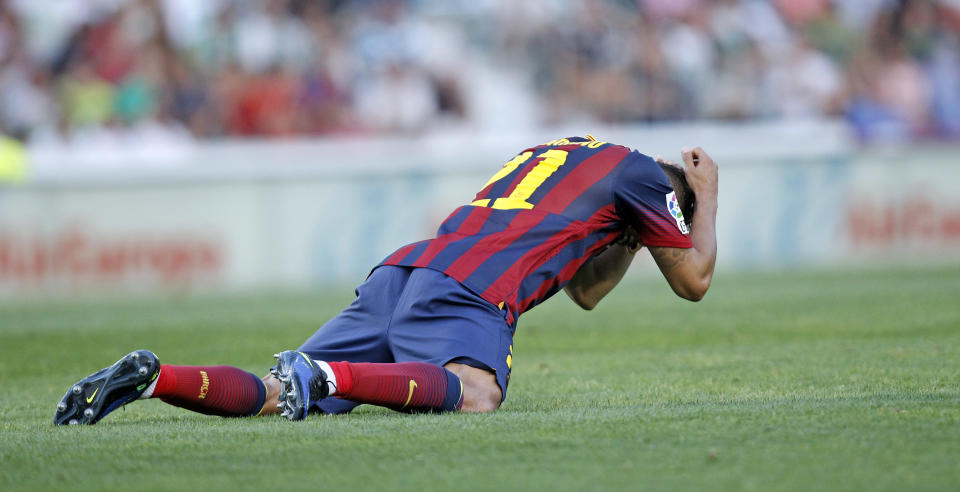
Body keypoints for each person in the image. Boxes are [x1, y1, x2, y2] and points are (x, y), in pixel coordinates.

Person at [54, 136, 718, 425]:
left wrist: (631, 234)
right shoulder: (647, 180)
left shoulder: (579, 152)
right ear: (672, 202)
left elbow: (586, 292)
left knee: (275, 394)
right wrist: (706, 197)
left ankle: (154, 376)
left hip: (407, 269)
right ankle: (332, 379)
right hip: (472, 287)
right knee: (477, 395)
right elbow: (693, 281)